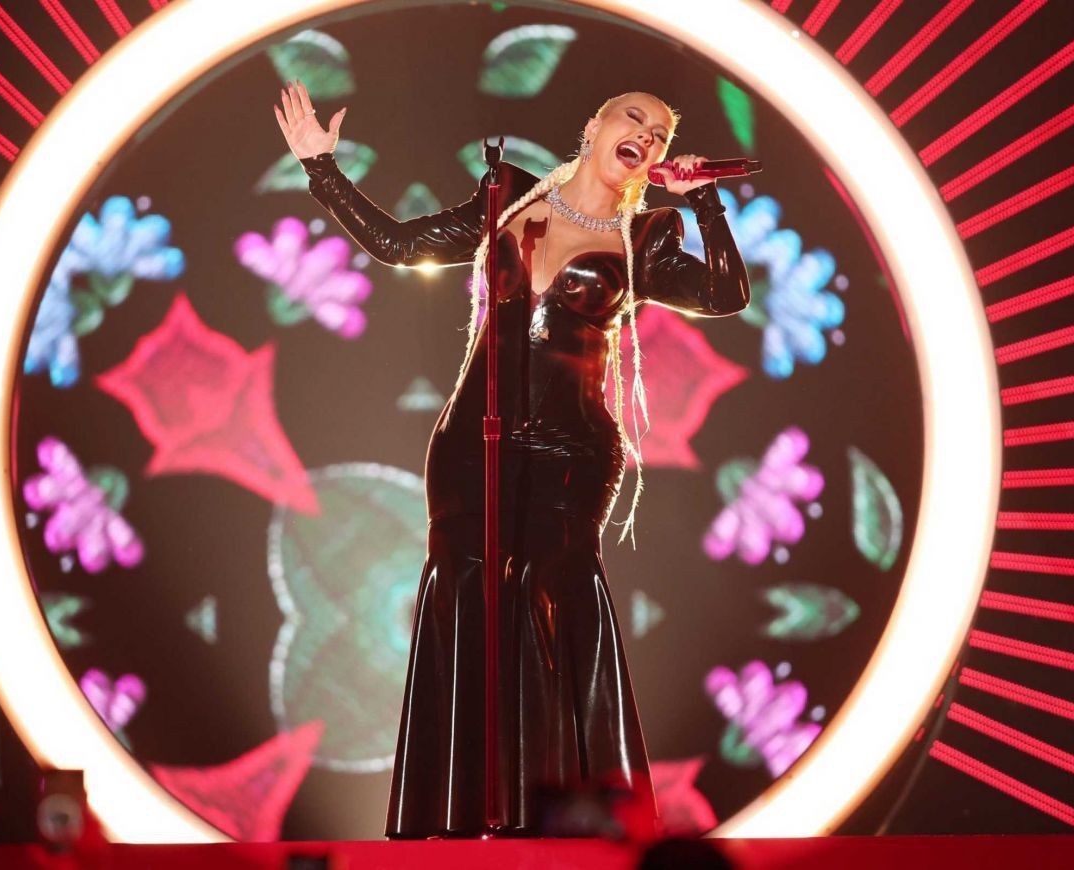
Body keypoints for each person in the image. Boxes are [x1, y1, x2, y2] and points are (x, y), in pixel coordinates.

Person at [274, 80, 750, 839]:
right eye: (634, 117)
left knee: (542, 601)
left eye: (661, 133)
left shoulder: (646, 239)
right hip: (471, 444)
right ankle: (459, 817)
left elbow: (725, 294)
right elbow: (401, 246)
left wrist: (705, 204)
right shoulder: (508, 199)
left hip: (571, 453)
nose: (648, 135)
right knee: (469, 600)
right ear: (594, 126)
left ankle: (550, 819)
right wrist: (320, 168)